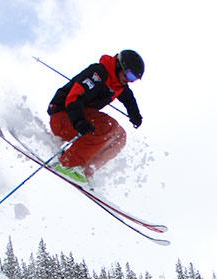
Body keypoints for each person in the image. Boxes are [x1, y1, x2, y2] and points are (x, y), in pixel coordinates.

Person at [46, 49, 145, 184]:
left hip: (79, 121)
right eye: (129, 75)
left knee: (119, 136)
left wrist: (135, 115)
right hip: (63, 116)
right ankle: (69, 164)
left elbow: (129, 99)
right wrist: (79, 121)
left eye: (133, 79)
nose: (129, 80)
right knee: (108, 126)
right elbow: (74, 97)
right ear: (119, 65)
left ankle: (86, 169)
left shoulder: (118, 85)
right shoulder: (98, 73)